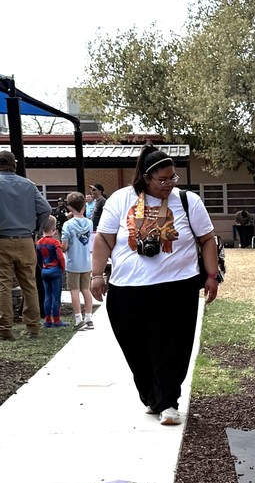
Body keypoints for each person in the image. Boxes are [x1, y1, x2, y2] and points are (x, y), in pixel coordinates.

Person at [90, 145, 220, 426]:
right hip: (127, 290)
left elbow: (207, 239)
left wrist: (212, 274)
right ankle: (153, 396)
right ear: (145, 178)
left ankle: (169, 402)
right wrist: (97, 274)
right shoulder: (121, 199)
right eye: (162, 179)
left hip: (177, 288)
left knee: (172, 347)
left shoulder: (187, 201)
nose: (169, 184)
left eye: (173, 177)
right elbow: (103, 239)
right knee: (135, 349)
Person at [0, 150, 51, 340]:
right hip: (26, 240)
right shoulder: (28, 185)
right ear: (14, 165)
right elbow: (45, 208)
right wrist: (36, 229)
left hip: (2, 240)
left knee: (3, 285)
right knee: (29, 284)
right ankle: (33, 327)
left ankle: (5, 329)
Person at [61, 191, 94, 329]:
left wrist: (63, 247)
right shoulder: (90, 223)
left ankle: (78, 319)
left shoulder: (68, 225)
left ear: (69, 207)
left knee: (74, 291)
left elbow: (64, 246)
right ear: (84, 206)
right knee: (86, 290)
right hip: (86, 262)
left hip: (73, 263)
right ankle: (89, 318)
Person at [36, 215, 68, 327]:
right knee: (56, 296)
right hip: (55, 270)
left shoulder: (39, 243)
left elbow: (38, 259)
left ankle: (47, 320)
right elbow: (60, 257)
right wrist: (62, 268)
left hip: (45, 270)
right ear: (54, 230)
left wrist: (42, 268)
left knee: (47, 295)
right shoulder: (55, 243)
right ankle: (57, 320)